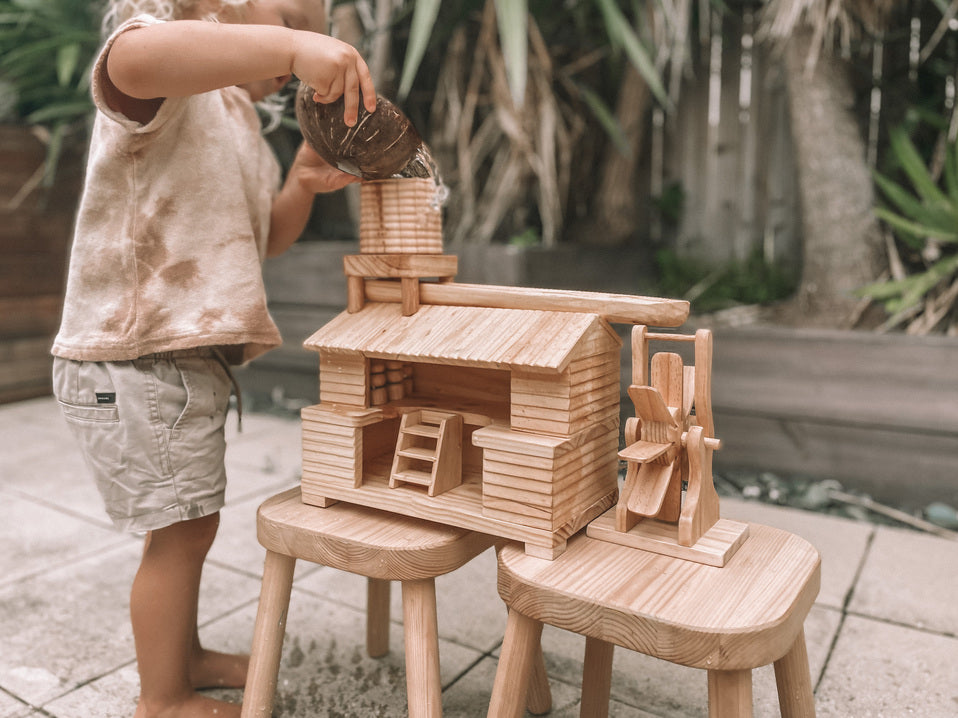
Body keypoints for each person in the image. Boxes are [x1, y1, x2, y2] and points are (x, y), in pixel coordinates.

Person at [50, 1, 376, 716]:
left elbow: (267, 239)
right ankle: (163, 697)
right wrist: (290, 49)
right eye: (292, 13)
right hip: (135, 352)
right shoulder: (161, 74)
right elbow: (136, 58)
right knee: (182, 530)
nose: (305, 36)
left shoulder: (240, 128)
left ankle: (184, 656)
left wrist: (300, 178)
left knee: (190, 521)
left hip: (181, 360)